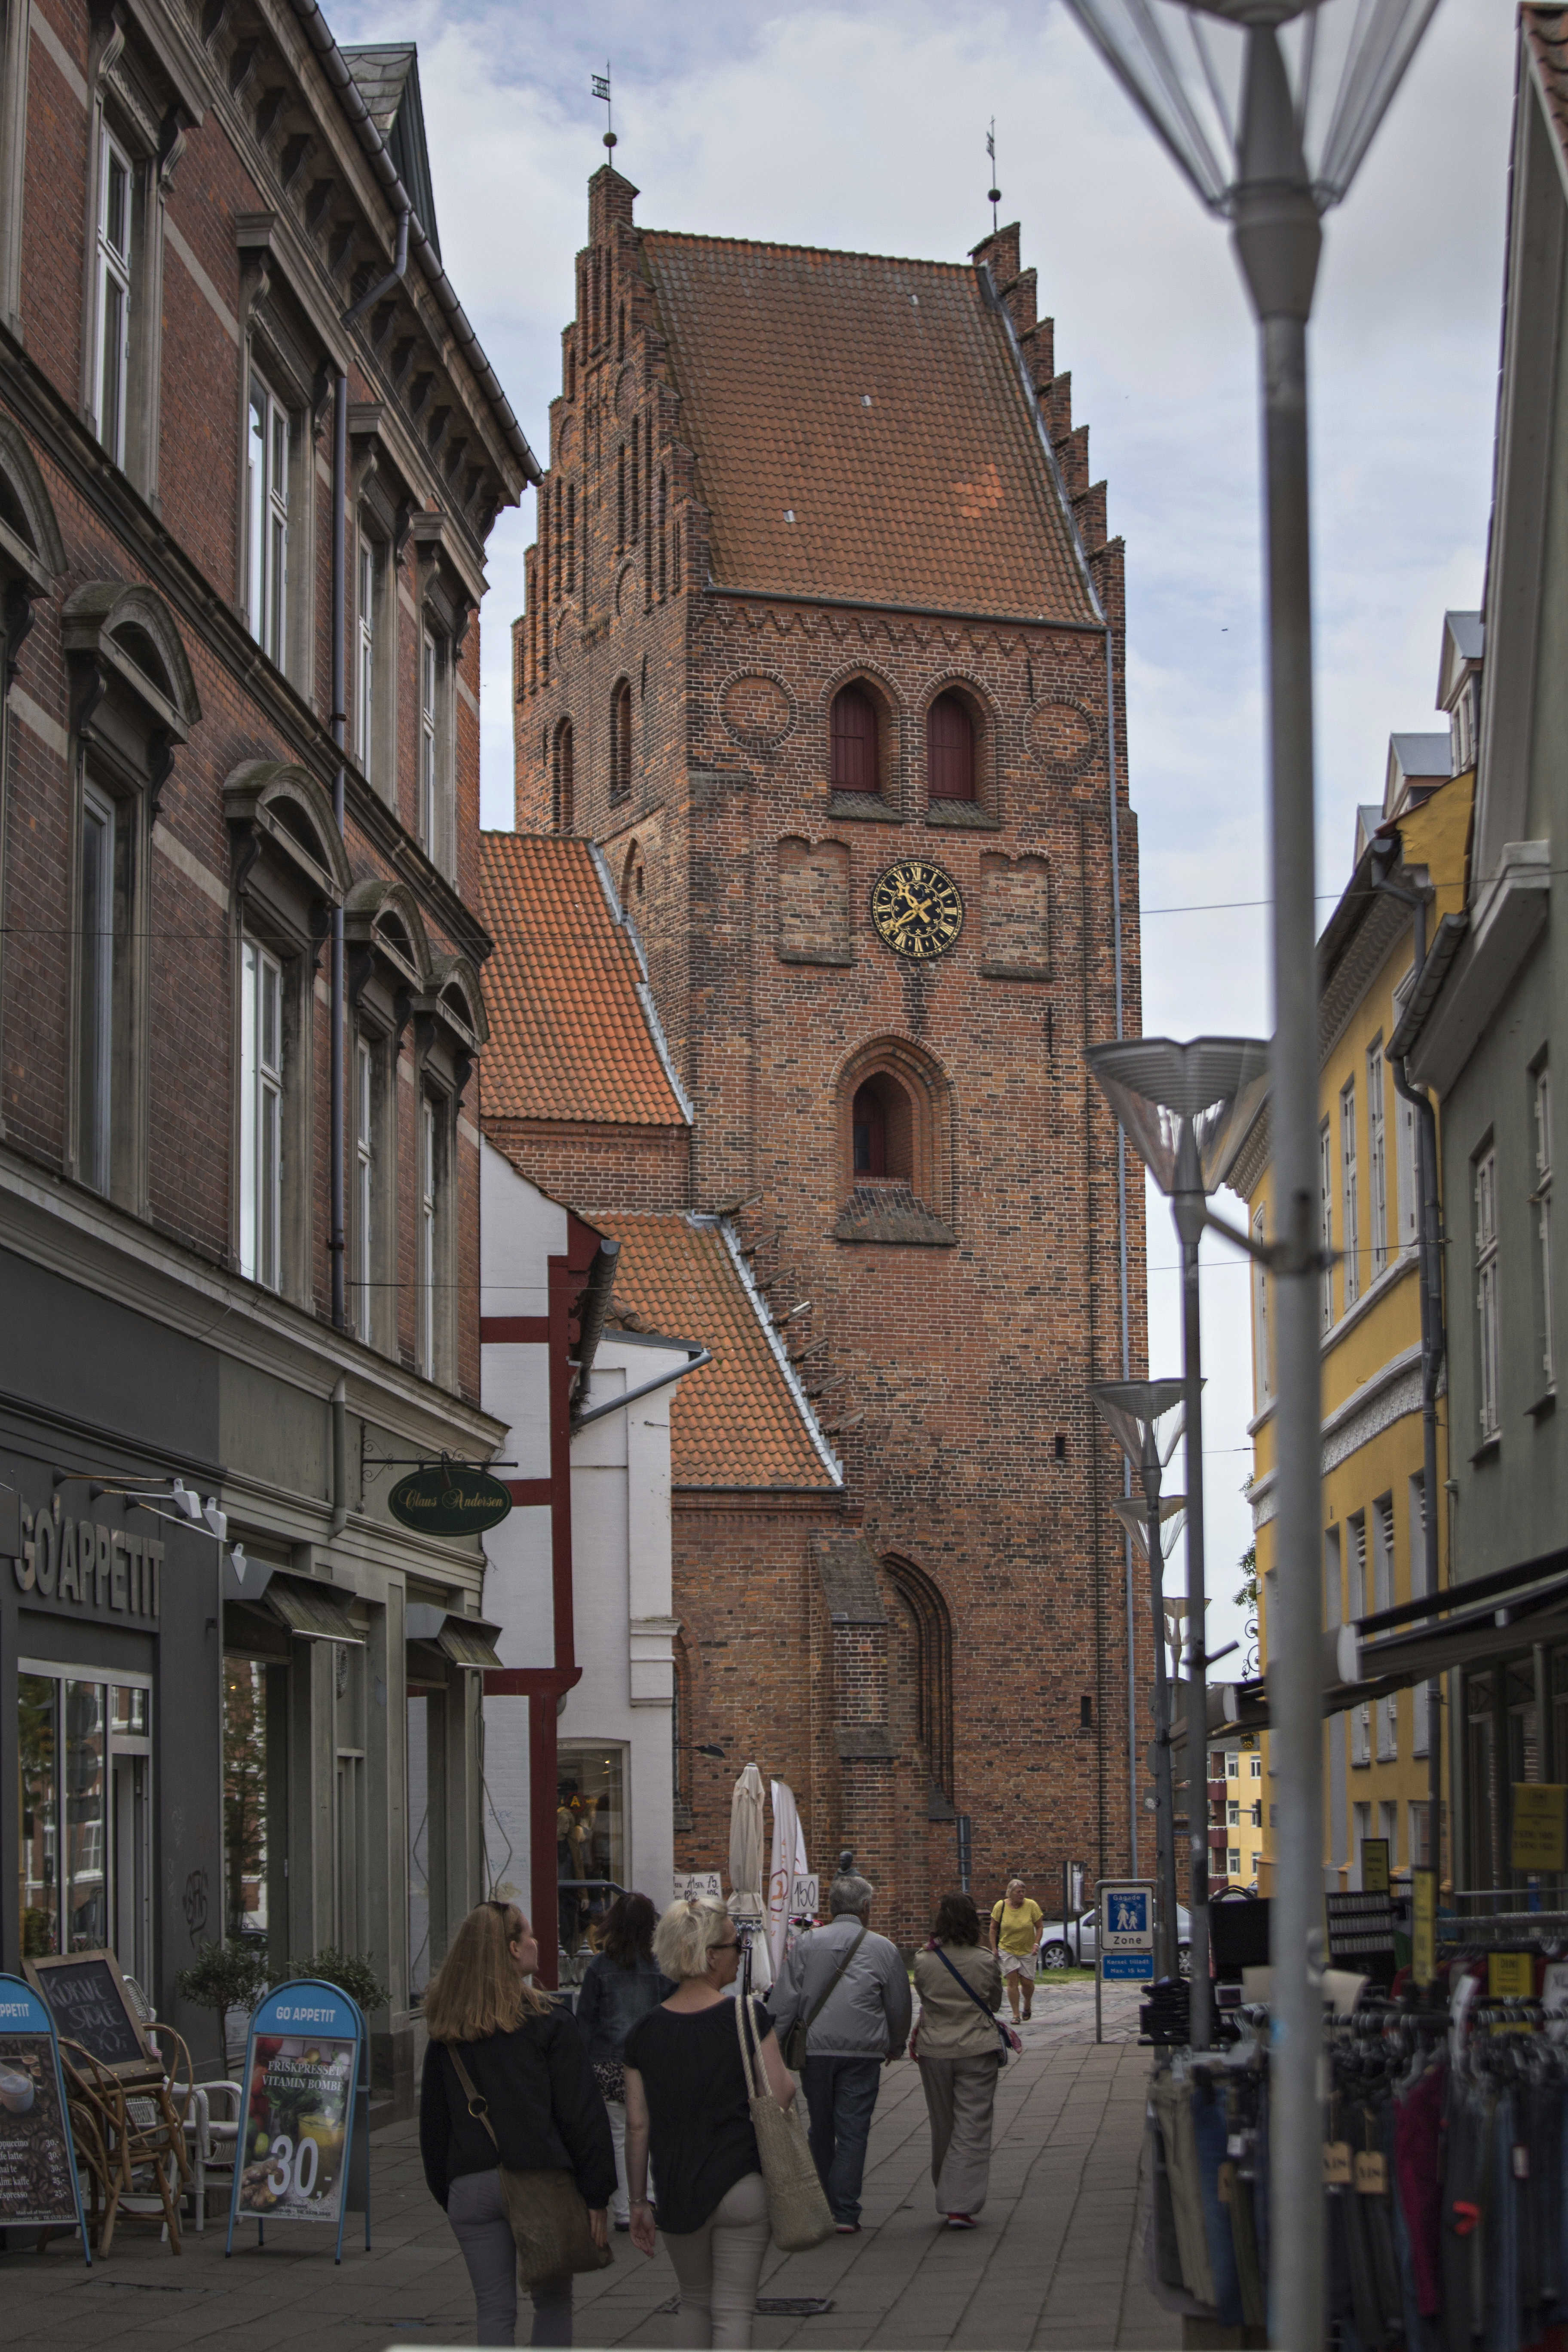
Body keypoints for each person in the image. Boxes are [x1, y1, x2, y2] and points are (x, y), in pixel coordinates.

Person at [420, 1899, 615, 2348]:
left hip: (470, 2186)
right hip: (539, 2181)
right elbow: (581, 2115)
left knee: (493, 2309)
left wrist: (450, 2191)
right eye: (527, 1935)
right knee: (553, 2303)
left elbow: (434, 2130)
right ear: (510, 1949)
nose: (536, 1941)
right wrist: (597, 2193)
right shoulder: (549, 2024)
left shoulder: (447, 2033)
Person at [622, 1896, 796, 2349]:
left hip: (678, 2186)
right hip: (742, 2182)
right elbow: (782, 2092)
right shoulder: (745, 2016)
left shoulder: (643, 2033)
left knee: (694, 2301)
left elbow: (637, 2126)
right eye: (735, 1945)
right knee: (735, 2308)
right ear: (710, 1954)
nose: (740, 1953)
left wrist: (639, 2200)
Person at [766, 1870, 911, 2233]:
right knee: (853, 2130)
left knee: (821, 2126)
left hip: (814, 2051)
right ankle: (845, 2211)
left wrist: (774, 2046)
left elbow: (786, 1999)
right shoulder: (884, 1948)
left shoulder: (807, 1944)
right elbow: (898, 2005)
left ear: (832, 1908)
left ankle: (823, 2204)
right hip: (863, 2054)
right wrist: (896, 2043)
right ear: (865, 1908)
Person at [574, 1890, 671, 2228]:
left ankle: (623, 2210)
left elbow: (585, 2020)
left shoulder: (600, 1966)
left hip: (608, 2064)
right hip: (653, 2066)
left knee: (617, 2135)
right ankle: (651, 2196)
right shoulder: (663, 1966)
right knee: (650, 2131)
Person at [913, 1892, 1005, 2229]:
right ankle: (958, 2203)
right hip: (977, 2049)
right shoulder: (984, 1960)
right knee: (972, 2125)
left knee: (944, 2125)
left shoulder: (924, 1961)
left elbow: (925, 1999)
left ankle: (948, 2188)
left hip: (934, 2050)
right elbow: (993, 2003)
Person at [989, 1877, 1044, 2022]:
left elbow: (1039, 1926)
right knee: (1012, 1982)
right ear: (1010, 1893)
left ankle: (1027, 2004)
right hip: (1007, 1949)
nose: (1021, 1894)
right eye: (1018, 1892)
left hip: (1027, 1950)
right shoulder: (1001, 1906)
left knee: (1027, 1983)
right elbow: (993, 1928)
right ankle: (1015, 2015)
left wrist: (1036, 1944)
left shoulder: (1032, 1906)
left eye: (1023, 1892)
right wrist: (994, 1948)